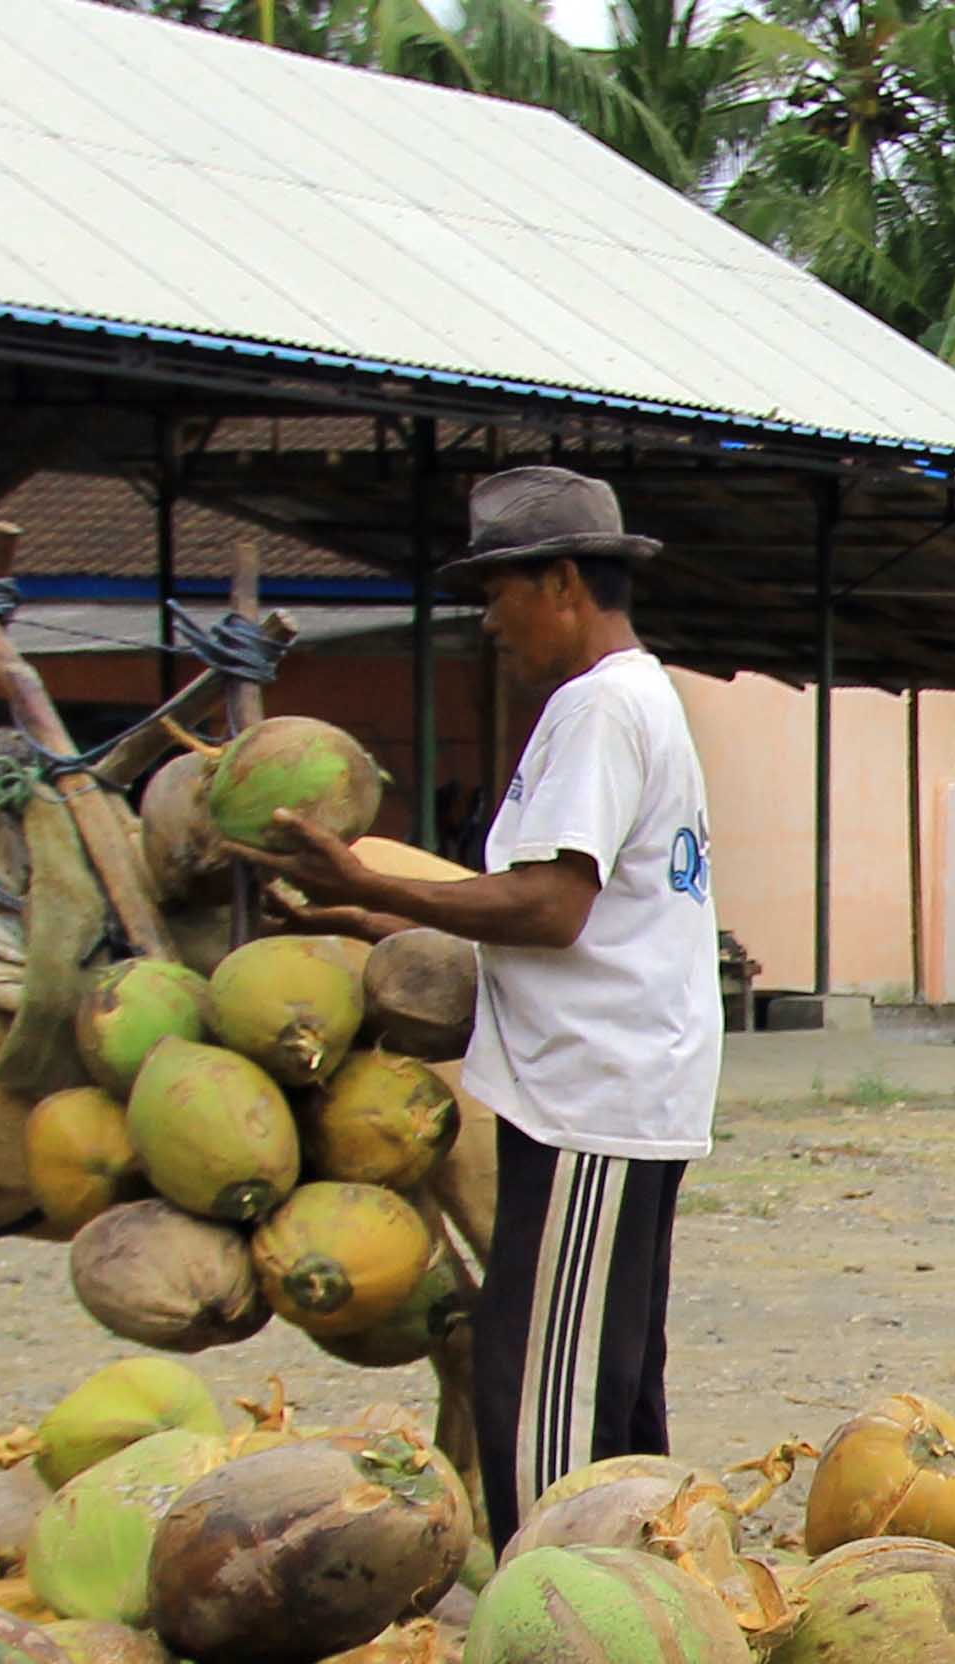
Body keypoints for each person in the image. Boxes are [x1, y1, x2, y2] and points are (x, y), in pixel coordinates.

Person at [258, 465, 716, 1547]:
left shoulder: (599, 706)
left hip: (593, 1096)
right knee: (609, 1380)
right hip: (611, 1086)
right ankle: (645, 1604)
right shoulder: (634, 698)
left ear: (560, 581)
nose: (487, 623)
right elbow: (573, 919)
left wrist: (365, 881)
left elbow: (554, 906)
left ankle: (552, 1612)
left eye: (495, 593)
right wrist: (382, 930)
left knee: (540, 1396)